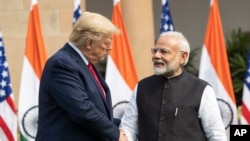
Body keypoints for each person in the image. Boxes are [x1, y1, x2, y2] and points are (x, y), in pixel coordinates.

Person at [119, 31, 227, 141]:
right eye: (155, 50)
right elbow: (129, 127)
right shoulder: (142, 87)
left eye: (164, 52)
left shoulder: (202, 89)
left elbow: (216, 135)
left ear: (183, 57)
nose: (156, 56)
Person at [36, 11, 126, 141]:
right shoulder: (62, 64)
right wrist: (115, 134)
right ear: (89, 43)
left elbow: (98, 111)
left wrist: (128, 124)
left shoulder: (83, 63)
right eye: (106, 44)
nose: (110, 48)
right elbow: (83, 110)